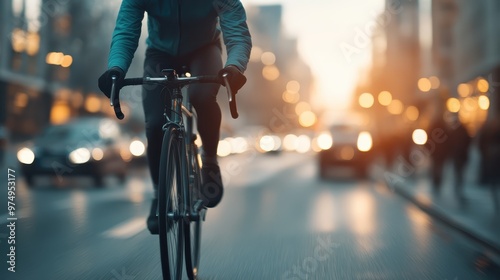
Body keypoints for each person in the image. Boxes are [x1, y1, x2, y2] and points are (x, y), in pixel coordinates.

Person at [98, 0, 252, 234]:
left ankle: (209, 162)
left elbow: (236, 29)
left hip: (205, 50)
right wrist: (116, 69)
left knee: (202, 97)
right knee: (155, 124)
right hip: (160, 53)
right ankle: (159, 195)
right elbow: (126, 29)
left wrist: (235, 66)